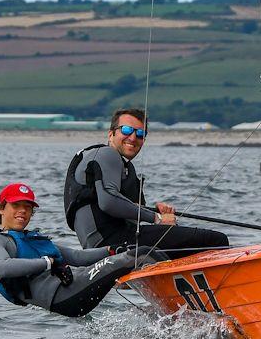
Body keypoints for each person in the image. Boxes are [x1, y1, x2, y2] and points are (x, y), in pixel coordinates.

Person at [0, 182, 167, 317]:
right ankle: (177, 303)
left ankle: (170, 307)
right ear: (1, 208)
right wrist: (49, 263)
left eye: (27, 207)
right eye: (16, 205)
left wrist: (111, 250)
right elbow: (4, 267)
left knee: (135, 255)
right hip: (65, 298)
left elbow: (77, 257)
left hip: (77, 287)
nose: (22, 211)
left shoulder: (31, 239)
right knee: (141, 254)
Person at [64, 108, 229, 257]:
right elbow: (109, 201)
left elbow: (122, 209)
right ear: (111, 134)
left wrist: (155, 212)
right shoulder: (107, 154)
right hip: (112, 245)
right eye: (127, 130)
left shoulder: (119, 166)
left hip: (103, 248)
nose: (133, 137)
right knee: (216, 240)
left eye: (140, 134)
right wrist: (157, 218)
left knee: (180, 242)